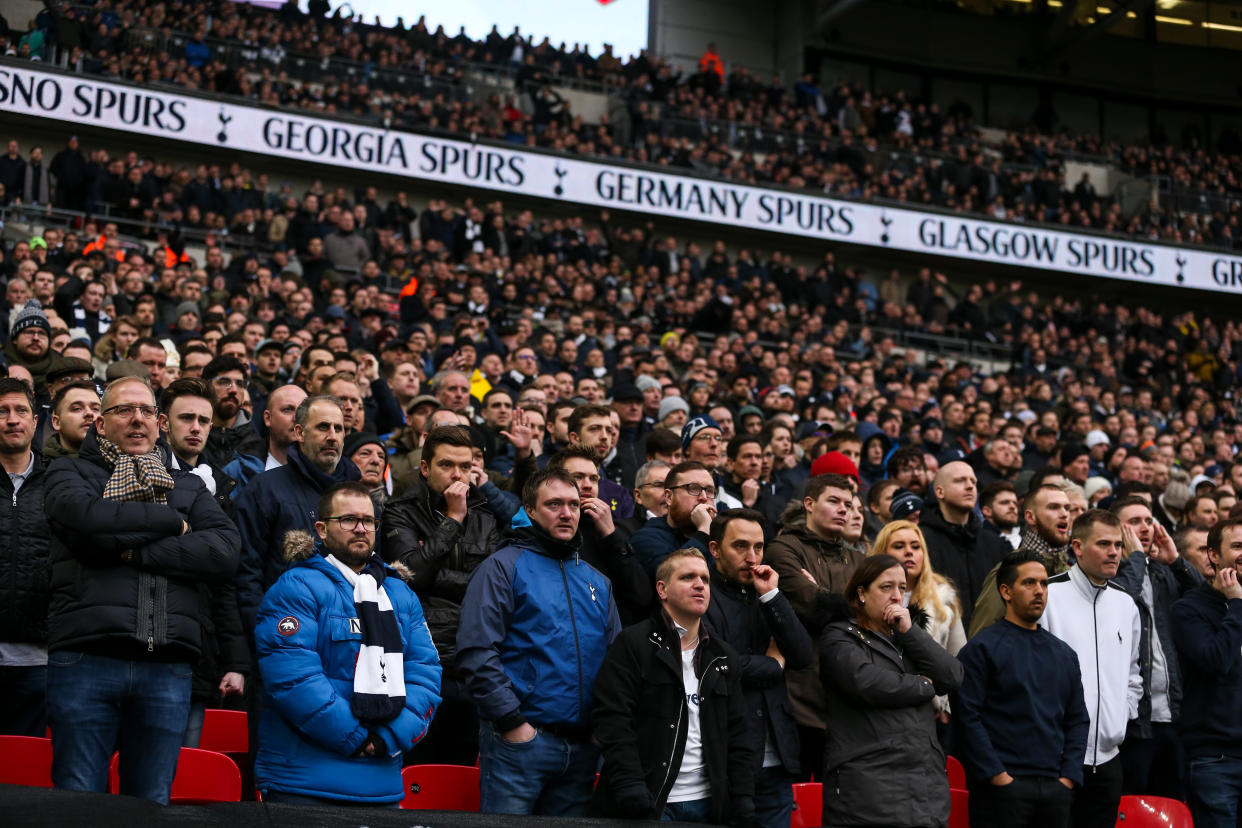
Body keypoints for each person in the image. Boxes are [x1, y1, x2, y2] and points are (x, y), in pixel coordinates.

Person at [43, 375, 240, 804]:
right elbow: (89, 523)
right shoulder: (68, 471)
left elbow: (224, 552)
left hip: (166, 665)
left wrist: (134, 552)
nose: (137, 420)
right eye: (123, 411)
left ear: (159, 423)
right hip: (87, 657)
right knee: (77, 803)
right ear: (100, 423)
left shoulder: (187, 486)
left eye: (147, 411)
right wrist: (174, 524)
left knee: (150, 804)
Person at [254, 482, 441, 805]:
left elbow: (425, 673)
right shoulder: (296, 587)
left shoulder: (399, 594)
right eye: (348, 520)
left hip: (382, 783)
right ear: (322, 529)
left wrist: (388, 738)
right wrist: (356, 738)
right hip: (304, 785)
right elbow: (294, 679)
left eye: (368, 521)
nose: (361, 529)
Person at [457, 467, 621, 816]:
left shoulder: (597, 581)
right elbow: (477, 652)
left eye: (574, 505)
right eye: (554, 504)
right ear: (529, 510)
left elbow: (616, 663)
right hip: (519, 744)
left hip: (582, 749)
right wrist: (513, 723)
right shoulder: (501, 567)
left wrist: (599, 732)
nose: (566, 513)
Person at [591, 548, 754, 825]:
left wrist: (743, 798)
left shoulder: (723, 656)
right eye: (688, 577)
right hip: (651, 802)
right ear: (662, 590)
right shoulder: (634, 644)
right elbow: (613, 720)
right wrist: (631, 786)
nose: (700, 584)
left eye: (705, 578)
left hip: (709, 804)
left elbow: (738, 734)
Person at [381, 425, 502, 765]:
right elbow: (410, 576)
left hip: (473, 659)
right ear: (424, 468)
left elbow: (492, 586)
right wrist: (452, 518)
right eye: (447, 465)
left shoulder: (486, 517)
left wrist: (438, 574)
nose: (457, 475)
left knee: (461, 774)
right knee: (418, 769)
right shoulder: (399, 511)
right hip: (422, 660)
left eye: (465, 466)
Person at [818, 554, 964, 828]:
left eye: (901, 588)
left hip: (924, 789)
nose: (896, 596)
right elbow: (867, 683)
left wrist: (911, 633)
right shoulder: (840, 636)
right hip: (868, 792)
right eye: (886, 587)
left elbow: (953, 676)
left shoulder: (908, 637)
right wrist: (924, 685)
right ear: (861, 593)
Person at [954, 551, 1089, 828]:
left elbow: (1077, 719)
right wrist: (997, 776)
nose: (1039, 591)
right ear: (1006, 591)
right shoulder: (981, 649)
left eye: (1044, 584)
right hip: (1003, 788)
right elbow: (967, 717)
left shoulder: (1064, 654)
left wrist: (1068, 777)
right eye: (1029, 583)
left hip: (1055, 787)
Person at [703, 510, 811, 828]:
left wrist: (773, 597)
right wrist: (775, 664)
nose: (752, 557)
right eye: (740, 546)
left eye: (759, 547)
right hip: (724, 758)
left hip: (776, 756)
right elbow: (717, 664)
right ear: (714, 549)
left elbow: (803, 655)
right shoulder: (702, 594)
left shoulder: (767, 593)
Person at [1039, 510, 1142, 828]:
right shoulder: (1047, 596)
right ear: (1077, 547)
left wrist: (1121, 716)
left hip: (1109, 761)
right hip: (1056, 759)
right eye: (1103, 544)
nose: (1114, 552)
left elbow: (1133, 674)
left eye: (1117, 544)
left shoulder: (1126, 604)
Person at [766, 472, 867, 777]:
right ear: (809, 504)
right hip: (801, 695)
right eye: (834, 501)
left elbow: (874, 615)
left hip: (850, 696)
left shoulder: (859, 561)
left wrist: (825, 597)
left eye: (848, 505)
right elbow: (809, 605)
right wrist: (847, 603)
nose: (843, 510)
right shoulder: (783, 549)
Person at [234, 394, 360, 629]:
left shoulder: (360, 498)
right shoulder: (264, 490)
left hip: (352, 638)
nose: (332, 436)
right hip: (287, 634)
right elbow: (246, 575)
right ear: (300, 432)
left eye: (338, 428)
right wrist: (264, 633)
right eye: (323, 427)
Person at [1111, 496, 1200, 800]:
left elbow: (1205, 603)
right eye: (1134, 522)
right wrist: (1135, 558)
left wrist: (1176, 561)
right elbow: (1120, 602)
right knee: (1133, 805)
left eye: (1149, 520)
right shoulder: (1111, 575)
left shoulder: (1163, 573)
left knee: (1172, 805)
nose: (1145, 528)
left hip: (1173, 717)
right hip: (1134, 722)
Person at [1171, 518, 1242, 828]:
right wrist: (1237, 603)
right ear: (1214, 555)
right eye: (1238, 546)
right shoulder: (1189, 609)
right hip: (1215, 758)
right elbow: (1217, 659)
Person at [869, 520, 966, 723]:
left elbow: (959, 658)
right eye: (898, 546)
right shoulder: (867, 599)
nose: (909, 552)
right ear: (881, 553)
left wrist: (947, 707)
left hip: (933, 714)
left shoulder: (944, 599)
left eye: (916, 546)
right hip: (882, 709)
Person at [0, 378, 52, 736]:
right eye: (2, 411)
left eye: (21, 411)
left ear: (36, 421)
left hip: (41, 658)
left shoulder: (60, 482)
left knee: (28, 776)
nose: (12, 419)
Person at [970, 484, 1074, 637]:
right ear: (1030, 517)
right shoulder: (1009, 571)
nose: (1064, 514)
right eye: (1054, 507)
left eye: (1067, 508)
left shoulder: (1069, 572)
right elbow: (981, 639)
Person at [921, 461, 1011, 629]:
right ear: (939, 491)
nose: (970, 486)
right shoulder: (921, 540)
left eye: (973, 482)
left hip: (990, 642)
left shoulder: (993, 543)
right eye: (960, 480)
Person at [631, 460, 717, 577]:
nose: (704, 497)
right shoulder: (645, 538)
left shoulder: (719, 540)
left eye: (709, 491)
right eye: (693, 488)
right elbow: (676, 577)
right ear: (669, 497)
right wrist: (703, 531)